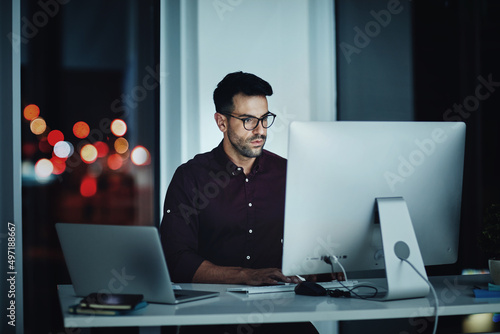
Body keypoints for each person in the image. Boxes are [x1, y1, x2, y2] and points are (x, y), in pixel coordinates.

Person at [160, 71, 318, 334]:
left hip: (279, 315)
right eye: (248, 120)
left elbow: (311, 244)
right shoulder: (191, 177)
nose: (260, 131)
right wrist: (247, 276)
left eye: (265, 119)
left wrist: (320, 267)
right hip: (212, 318)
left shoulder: (289, 174)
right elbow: (176, 260)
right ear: (221, 122)